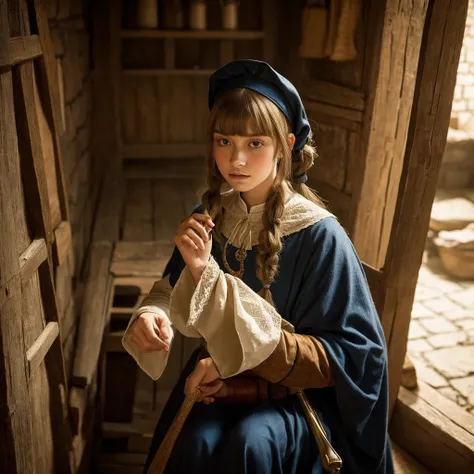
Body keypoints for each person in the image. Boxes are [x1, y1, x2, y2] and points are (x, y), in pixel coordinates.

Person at [122, 59, 394, 474]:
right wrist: (151, 314)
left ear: (285, 145)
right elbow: (169, 287)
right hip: (216, 385)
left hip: (297, 400)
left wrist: (239, 361)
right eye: (224, 141)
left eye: (255, 144)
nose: (237, 159)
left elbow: (357, 357)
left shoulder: (321, 236)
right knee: (194, 443)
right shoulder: (209, 215)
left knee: (252, 445)